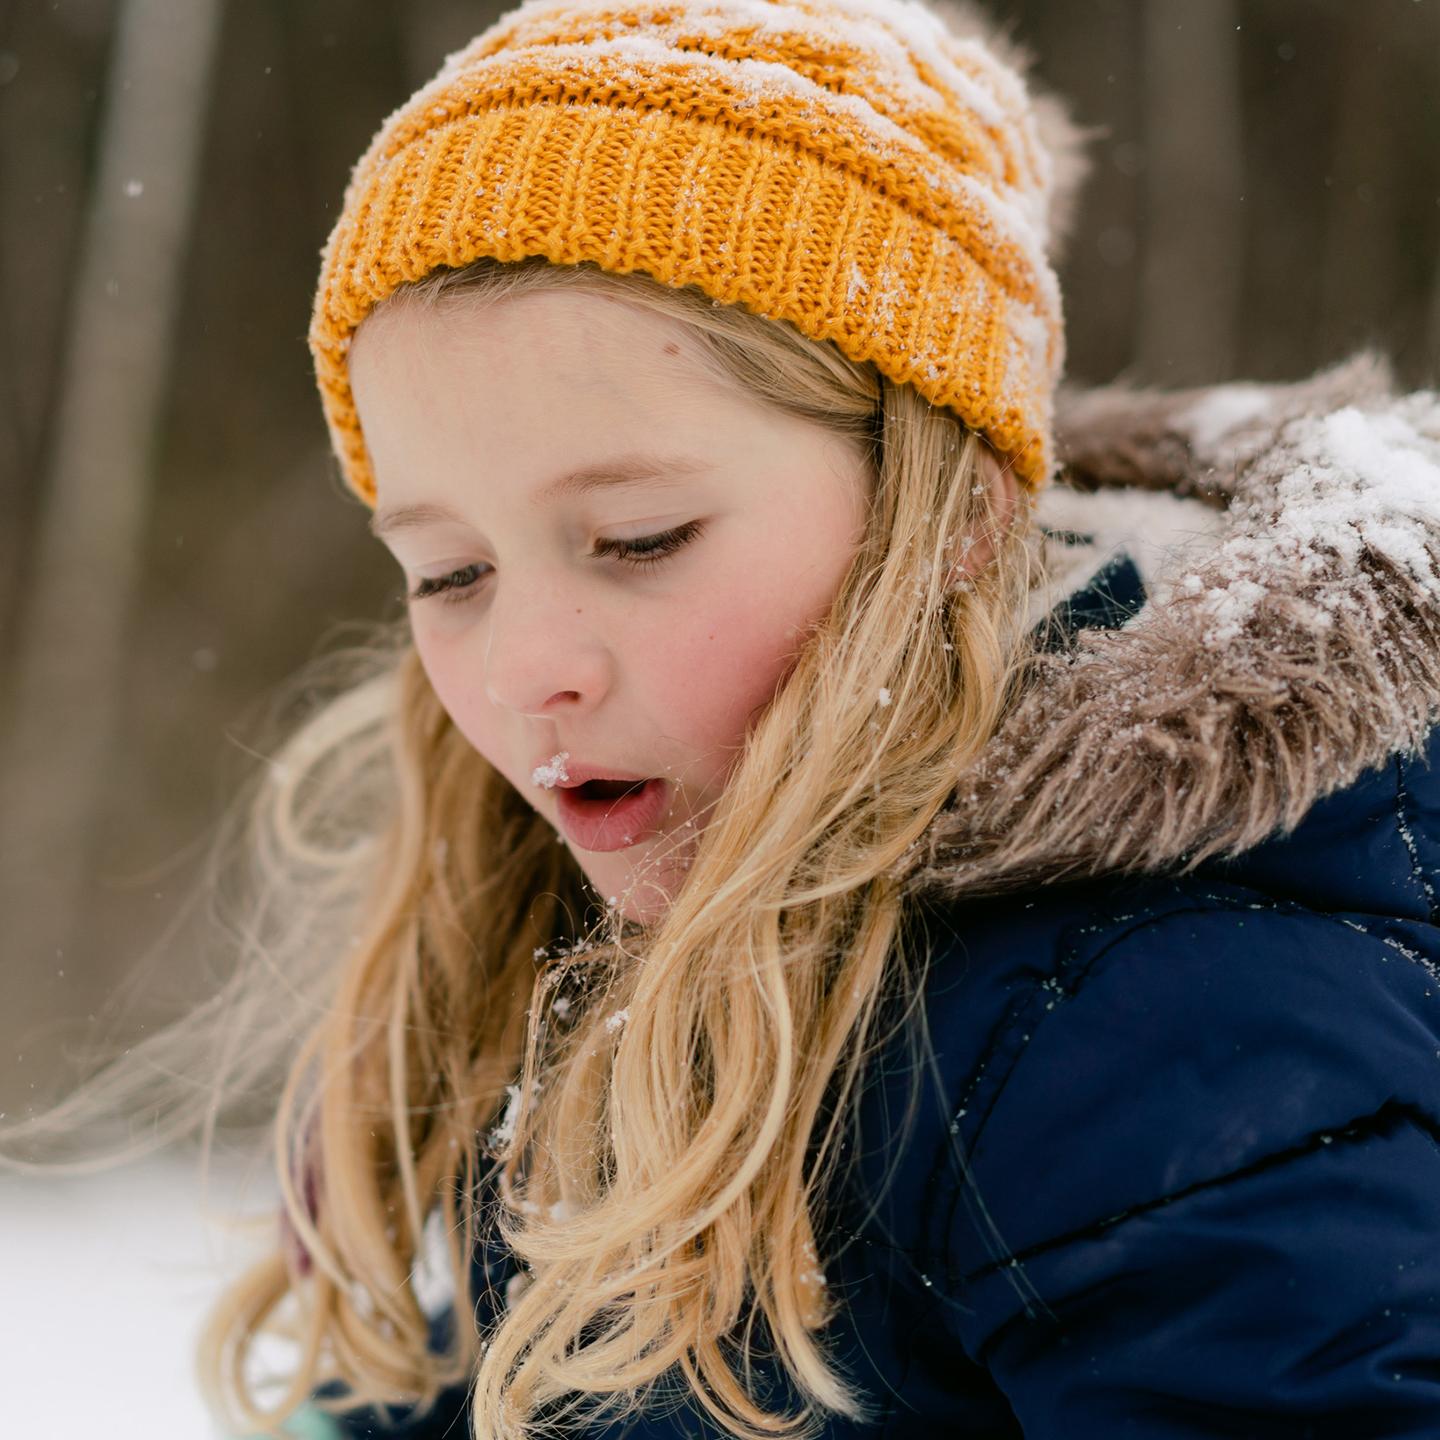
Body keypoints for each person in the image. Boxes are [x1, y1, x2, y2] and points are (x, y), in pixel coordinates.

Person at [6, 0, 1440, 1436]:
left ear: (953, 517)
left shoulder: (1150, 1039)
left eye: (637, 539)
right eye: (447, 571)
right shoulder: (619, 939)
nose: (523, 667)